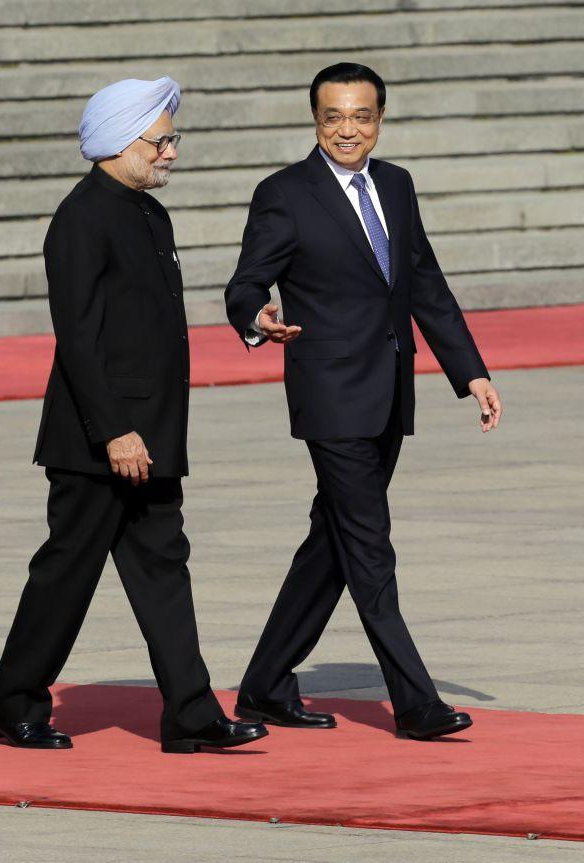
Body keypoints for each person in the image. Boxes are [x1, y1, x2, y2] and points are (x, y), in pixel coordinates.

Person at [0, 77, 267, 754]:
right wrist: (113, 429)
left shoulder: (147, 212)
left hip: (154, 436)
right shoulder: (82, 217)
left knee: (165, 567)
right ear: (116, 142)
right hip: (96, 442)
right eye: (159, 140)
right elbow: (77, 337)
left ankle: (192, 715)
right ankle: (12, 703)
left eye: (172, 139)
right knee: (66, 574)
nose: (170, 152)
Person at [225, 62, 502, 740]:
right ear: (315, 120)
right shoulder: (285, 194)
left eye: (361, 116)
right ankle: (415, 701)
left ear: (379, 118)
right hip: (330, 395)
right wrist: (256, 318)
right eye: (333, 117)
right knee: (370, 545)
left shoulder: (398, 186)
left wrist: (470, 372)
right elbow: (245, 281)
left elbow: (425, 284)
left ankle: (263, 684)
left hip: (388, 395)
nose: (347, 129)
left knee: (335, 541)